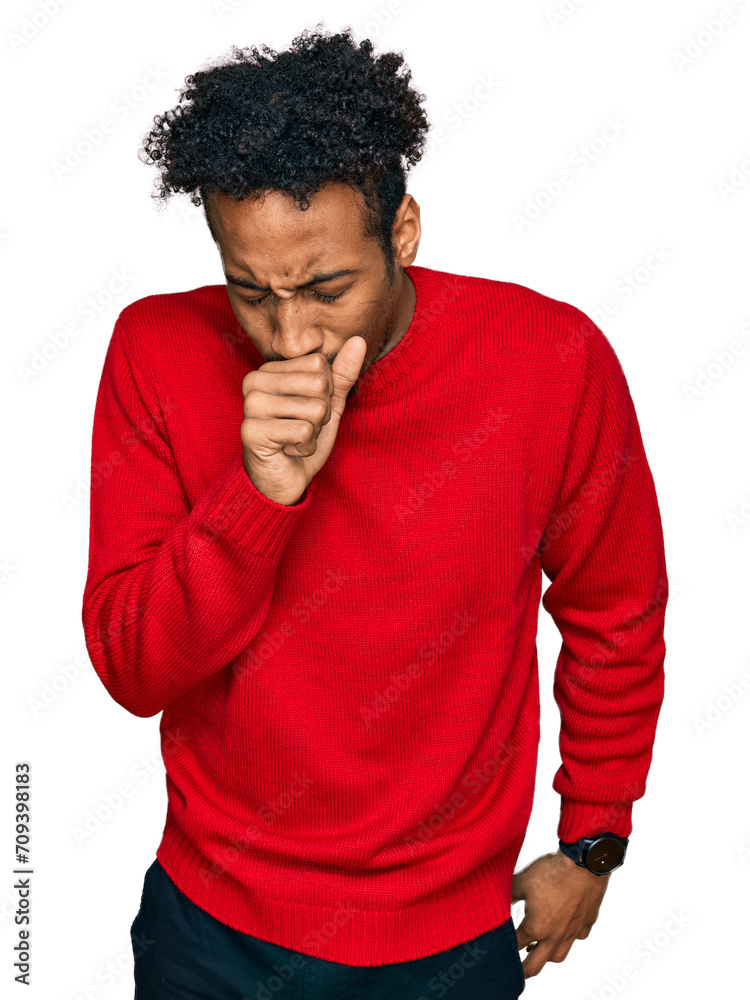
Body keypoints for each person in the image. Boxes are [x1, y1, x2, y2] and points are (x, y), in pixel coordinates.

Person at [81, 25, 668, 1000]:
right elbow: (133, 668)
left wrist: (593, 841)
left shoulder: (550, 362)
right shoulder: (154, 348)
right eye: (249, 291)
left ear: (402, 233)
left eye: (326, 287)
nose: (290, 333)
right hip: (211, 929)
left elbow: (616, 610)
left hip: (443, 943)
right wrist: (260, 493)